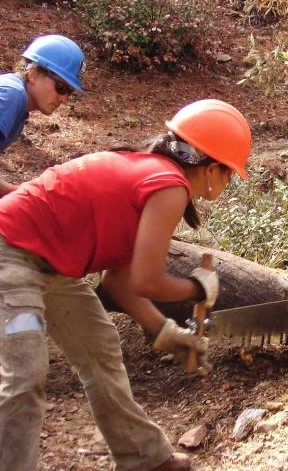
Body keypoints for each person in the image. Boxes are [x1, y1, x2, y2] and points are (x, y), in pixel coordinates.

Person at [0, 99, 252, 471]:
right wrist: (198, 289)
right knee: (25, 375)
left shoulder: (147, 173)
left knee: (100, 347)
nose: (228, 181)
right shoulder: (169, 186)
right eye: (229, 172)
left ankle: (144, 458)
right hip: (10, 251)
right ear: (211, 168)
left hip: (50, 264)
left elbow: (118, 280)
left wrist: (166, 333)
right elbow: (146, 281)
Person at [0, 34, 85, 196]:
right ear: (33, 73)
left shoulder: (17, 99)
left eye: (70, 92)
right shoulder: (11, 95)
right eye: (61, 87)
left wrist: (15, 192)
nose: (65, 99)